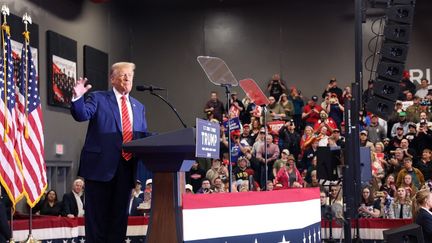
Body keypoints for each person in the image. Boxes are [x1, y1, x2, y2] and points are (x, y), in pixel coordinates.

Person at [71, 62, 148, 243]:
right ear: (112, 79)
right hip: (100, 170)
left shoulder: (139, 106)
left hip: (126, 169)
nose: (128, 78)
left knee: (118, 223)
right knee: (97, 222)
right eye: (123, 75)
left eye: (130, 75)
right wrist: (77, 98)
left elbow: (142, 137)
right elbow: (81, 114)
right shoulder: (99, 98)